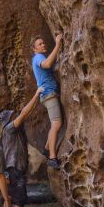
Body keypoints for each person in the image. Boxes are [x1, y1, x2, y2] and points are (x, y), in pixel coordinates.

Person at [0, 87, 43, 207]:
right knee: (20, 200)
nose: (16, 116)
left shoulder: (12, 131)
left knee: (11, 198)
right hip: (14, 171)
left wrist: (37, 99)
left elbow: (25, 114)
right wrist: (36, 94)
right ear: (8, 120)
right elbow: (24, 114)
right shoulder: (9, 129)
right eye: (13, 116)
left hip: (12, 171)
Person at [31, 34, 63, 169]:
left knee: (55, 124)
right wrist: (57, 45)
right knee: (56, 124)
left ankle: (46, 148)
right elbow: (47, 64)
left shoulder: (40, 56)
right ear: (34, 49)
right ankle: (52, 157)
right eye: (40, 44)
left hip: (49, 94)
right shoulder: (38, 57)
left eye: (43, 43)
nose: (43, 45)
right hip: (48, 94)